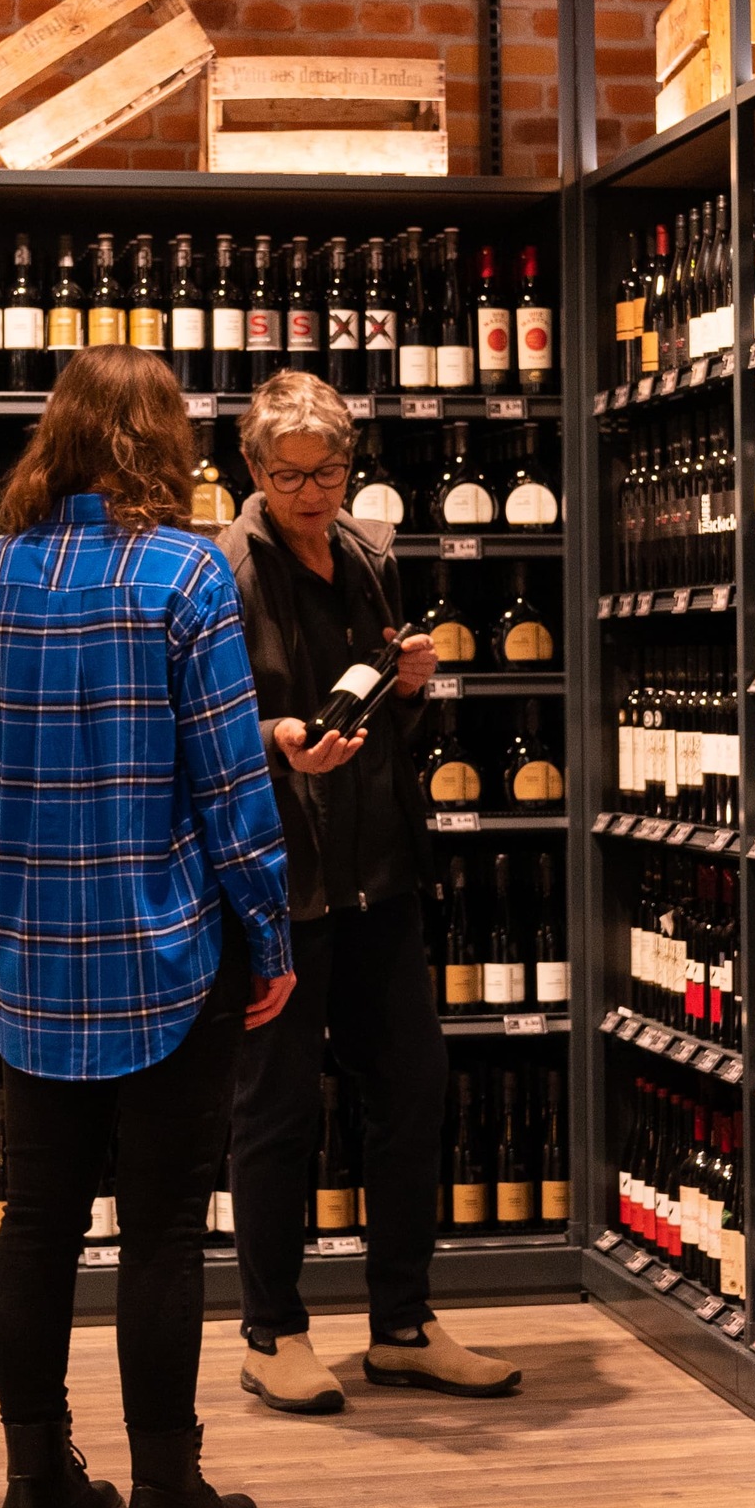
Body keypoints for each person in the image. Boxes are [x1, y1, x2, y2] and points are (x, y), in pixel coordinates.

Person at [0, 345, 292, 1508]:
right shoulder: (185, 575)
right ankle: (165, 1493)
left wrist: (41, 850)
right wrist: (269, 932)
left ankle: (37, 1481)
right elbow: (233, 786)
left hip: (38, 954)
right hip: (168, 955)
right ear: (162, 444)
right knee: (161, 1231)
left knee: (33, 1223)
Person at [218, 372, 524, 1415]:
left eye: (330, 469)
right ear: (253, 471)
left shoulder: (369, 555)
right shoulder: (220, 571)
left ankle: (401, 1322)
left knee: (412, 1090)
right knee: (278, 1110)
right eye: (291, 473)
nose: (313, 490)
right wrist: (276, 742)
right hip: (280, 883)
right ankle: (272, 1330)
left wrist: (405, 690)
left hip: (380, 877)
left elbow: (384, 737)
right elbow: (203, 727)